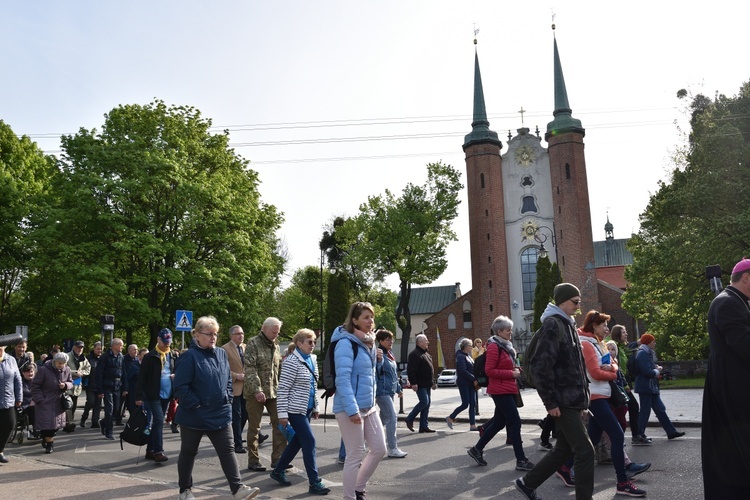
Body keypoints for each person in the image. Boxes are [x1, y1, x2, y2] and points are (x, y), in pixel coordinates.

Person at [514, 283, 595, 500]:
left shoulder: (567, 324)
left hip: (572, 400)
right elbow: (542, 368)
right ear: (562, 301)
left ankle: (527, 483)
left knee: (564, 450)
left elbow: (575, 368)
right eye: (575, 302)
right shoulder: (553, 325)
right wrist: (550, 403)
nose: (578, 307)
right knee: (585, 451)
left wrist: (583, 403)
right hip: (563, 400)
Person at [173, 316, 260, 500]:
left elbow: (227, 378)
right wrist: (196, 404)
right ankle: (185, 491)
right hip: (194, 416)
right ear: (196, 334)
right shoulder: (189, 356)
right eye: (209, 334)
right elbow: (180, 387)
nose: (213, 337)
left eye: (215, 334)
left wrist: (228, 397)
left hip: (220, 413)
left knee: (227, 450)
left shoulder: (221, 353)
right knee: (189, 452)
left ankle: (237, 489)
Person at [578, 310, 647, 497]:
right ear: (594, 326)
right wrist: (613, 373)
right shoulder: (586, 344)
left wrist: (613, 368)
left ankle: (566, 468)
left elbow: (613, 362)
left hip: (603, 394)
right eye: (604, 325)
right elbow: (596, 373)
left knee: (592, 436)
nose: (607, 329)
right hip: (595, 396)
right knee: (617, 435)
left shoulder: (598, 343)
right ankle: (622, 482)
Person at [704, 258, 750, 498]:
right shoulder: (729, 303)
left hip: (732, 384)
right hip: (734, 388)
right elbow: (744, 344)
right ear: (746, 277)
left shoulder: (732, 301)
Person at [332, 301, 387, 500]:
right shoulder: (345, 343)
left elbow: (368, 377)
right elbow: (343, 379)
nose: (370, 321)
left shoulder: (369, 342)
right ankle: (349, 497)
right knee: (354, 456)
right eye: (365, 317)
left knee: (379, 449)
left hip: (369, 407)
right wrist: (352, 409)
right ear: (354, 320)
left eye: (371, 317)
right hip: (350, 409)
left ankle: (358, 488)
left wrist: (378, 360)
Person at [467, 315, 534, 471]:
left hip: (507, 388)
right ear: (499, 331)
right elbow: (489, 371)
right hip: (500, 390)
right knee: (515, 422)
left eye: (510, 329)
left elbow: (503, 366)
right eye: (507, 330)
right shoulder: (494, 346)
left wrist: (514, 370)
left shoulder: (505, 345)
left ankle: (476, 449)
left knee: (499, 422)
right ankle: (521, 460)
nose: (510, 332)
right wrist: (511, 374)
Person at [269, 329, 331, 495]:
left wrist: (316, 406)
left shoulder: (312, 359)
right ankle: (314, 482)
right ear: (299, 343)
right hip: (294, 409)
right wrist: (282, 415)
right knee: (309, 441)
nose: (313, 345)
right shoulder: (291, 362)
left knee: (297, 441)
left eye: (314, 342)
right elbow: (283, 389)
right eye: (309, 342)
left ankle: (278, 471)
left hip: (307, 408)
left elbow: (312, 386)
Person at [244, 317, 286, 472]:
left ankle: (278, 459)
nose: (276, 334)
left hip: (274, 392)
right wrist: (257, 390)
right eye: (274, 331)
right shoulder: (253, 343)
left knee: (281, 424)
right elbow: (249, 368)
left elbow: (278, 369)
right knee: (254, 427)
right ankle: (253, 460)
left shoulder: (275, 345)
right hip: (255, 393)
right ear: (265, 328)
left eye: (278, 332)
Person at [634, 333, 684, 442]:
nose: (655, 343)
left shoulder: (647, 353)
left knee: (660, 409)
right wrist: (657, 371)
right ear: (648, 342)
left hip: (651, 387)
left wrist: (655, 367)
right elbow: (646, 372)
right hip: (646, 387)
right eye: (653, 341)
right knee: (645, 411)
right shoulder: (643, 353)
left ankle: (671, 431)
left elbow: (648, 367)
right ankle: (639, 434)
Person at [136, 328, 175, 463]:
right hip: (153, 394)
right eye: (164, 342)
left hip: (167, 394)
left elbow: (177, 370)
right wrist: (139, 396)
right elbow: (142, 377)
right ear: (158, 340)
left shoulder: (173, 355)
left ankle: (150, 450)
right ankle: (158, 451)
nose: (166, 345)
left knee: (158, 422)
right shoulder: (150, 356)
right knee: (159, 420)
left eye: (168, 342)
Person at [607, 325, 646, 445]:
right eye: (624, 332)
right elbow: (618, 369)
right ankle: (631, 436)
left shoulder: (622, 348)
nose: (626, 334)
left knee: (624, 411)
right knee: (631, 408)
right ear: (618, 334)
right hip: (619, 384)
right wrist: (625, 385)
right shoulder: (613, 347)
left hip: (623, 382)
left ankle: (631, 435)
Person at [32, 352, 73, 454]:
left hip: (59, 401)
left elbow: (71, 382)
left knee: (55, 426)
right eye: (58, 363)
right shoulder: (44, 370)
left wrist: (65, 385)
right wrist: (40, 399)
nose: (60, 365)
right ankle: (50, 445)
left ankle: (46, 438)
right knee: (47, 425)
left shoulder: (67, 370)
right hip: (45, 401)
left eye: (62, 363)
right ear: (54, 361)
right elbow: (36, 385)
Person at [375, 329, 407, 458]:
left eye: (391, 339)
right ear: (381, 341)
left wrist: (399, 388)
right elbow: (376, 370)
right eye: (388, 339)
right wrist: (378, 360)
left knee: (382, 419)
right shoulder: (379, 353)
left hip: (390, 390)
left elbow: (393, 374)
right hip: (382, 392)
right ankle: (392, 448)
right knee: (392, 417)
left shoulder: (390, 354)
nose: (391, 341)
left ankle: (363, 440)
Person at [222, 324, 248, 454]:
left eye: (242, 333)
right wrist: (236, 376)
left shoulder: (245, 347)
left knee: (246, 413)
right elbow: (223, 369)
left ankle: (235, 436)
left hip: (246, 387)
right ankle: (237, 444)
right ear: (232, 335)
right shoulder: (225, 349)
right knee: (236, 415)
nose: (241, 336)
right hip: (234, 386)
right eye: (238, 334)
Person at [405, 334, 436, 433]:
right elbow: (411, 370)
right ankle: (409, 418)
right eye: (426, 340)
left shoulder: (426, 354)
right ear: (420, 342)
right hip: (420, 384)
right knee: (424, 402)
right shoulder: (414, 354)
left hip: (427, 384)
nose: (428, 342)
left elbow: (431, 369)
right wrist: (413, 383)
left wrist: (433, 382)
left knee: (427, 405)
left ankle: (423, 426)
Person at [95, 338, 124, 440]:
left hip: (117, 386)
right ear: (115, 346)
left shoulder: (121, 357)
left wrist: (124, 387)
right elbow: (99, 374)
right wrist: (100, 390)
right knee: (109, 409)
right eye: (121, 345)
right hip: (107, 386)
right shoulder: (105, 357)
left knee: (116, 409)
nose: (122, 347)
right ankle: (109, 431)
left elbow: (123, 372)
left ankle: (104, 422)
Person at [446, 338, 478, 431]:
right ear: (465, 346)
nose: (471, 347)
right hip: (464, 383)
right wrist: (473, 378)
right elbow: (462, 371)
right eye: (470, 345)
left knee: (473, 403)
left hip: (471, 383)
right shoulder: (460, 356)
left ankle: (472, 425)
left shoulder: (468, 356)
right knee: (465, 404)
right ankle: (451, 417)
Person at [0, 344, 23, 463]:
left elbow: (18, 379)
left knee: (10, 424)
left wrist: (19, 397)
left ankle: (0, 450)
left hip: (8, 400)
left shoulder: (11, 359)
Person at [64, 340, 91, 432]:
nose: (80, 349)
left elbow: (88, 369)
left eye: (81, 347)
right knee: (68, 405)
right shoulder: (67, 356)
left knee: (74, 406)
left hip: (77, 386)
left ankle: (69, 423)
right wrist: (75, 372)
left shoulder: (83, 358)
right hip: (66, 385)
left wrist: (81, 373)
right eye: (78, 347)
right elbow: (63, 368)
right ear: (73, 347)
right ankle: (68, 424)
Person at [80, 341, 103, 429]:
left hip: (100, 385)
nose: (99, 351)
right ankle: (84, 417)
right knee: (91, 402)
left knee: (98, 404)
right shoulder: (88, 358)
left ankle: (95, 421)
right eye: (98, 349)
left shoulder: (103, 358)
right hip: (90, 385)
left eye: (101, 349)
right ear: (94, 349)